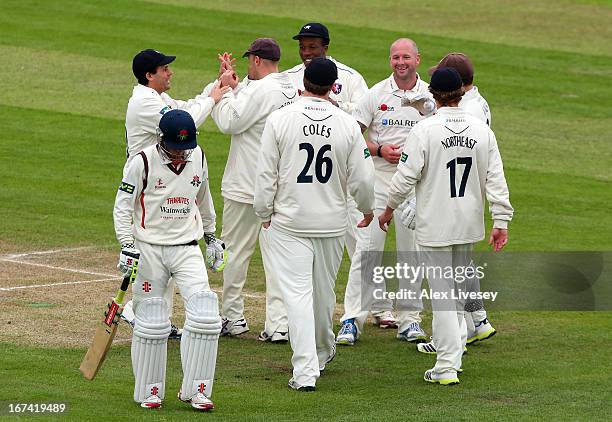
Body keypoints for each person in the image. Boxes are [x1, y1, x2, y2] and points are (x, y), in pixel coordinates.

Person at [378, 67, 513, 385]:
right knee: (452, 292)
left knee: (443, 296)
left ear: (433, 96)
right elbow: (496, 178)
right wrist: (501, 220)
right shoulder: (482, 131)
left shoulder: (425, 130)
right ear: (462, 94)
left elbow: (404, 178)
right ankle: (454, 353)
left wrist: (387, 210)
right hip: (467, 223)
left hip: (435, 225)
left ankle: (447, 366)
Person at [254, 58, 375, 390]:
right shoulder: (347, 124)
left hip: (289, 222)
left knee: (297, 295)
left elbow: (266, 175)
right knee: (322, 293)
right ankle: (318, 355)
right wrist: (367, 209)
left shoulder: (279, 120)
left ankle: (308, 368)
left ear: (302, 83)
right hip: (332, 222)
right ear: (333, 86)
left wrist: (264, 212)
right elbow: (363, 178)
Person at [285, 23, 396, 329]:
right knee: (357, 245)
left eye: (312, 47)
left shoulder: (349, 78)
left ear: (326, 47)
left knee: (362, 243)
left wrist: (334, 107)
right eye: (303, 47)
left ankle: (375, 307)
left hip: (345, 173)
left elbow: (363, 119)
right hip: (310, 177)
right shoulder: (291, 77)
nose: (307, 53)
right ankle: (378, 305)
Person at [113, 109, 226, 409]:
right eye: (175, 148)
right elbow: (123, 207)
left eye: (184, 149)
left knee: (205, 314)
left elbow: (203, 197)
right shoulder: (141, 162)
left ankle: (197, 390)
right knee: (151, 320)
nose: (180, 155)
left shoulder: (198, 156)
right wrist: (127, 244)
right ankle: (150, 390)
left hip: (187, 247)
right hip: (149, 249)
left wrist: (212, 236)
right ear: (162, 140)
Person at [121, 49, 229, 338]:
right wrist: (216, 95)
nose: (170, 73)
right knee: (156, 245)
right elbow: (186, 122)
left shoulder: (157, 98)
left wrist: (217, 85)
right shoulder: (144, 103)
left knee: (168, 246)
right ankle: (138, 309)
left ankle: (157, 317)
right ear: (149, 75)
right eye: (164, 69)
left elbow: (185, 106)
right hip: (149, 179)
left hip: (171, 174)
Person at [336, 38, 435, 346]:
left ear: (417, 59)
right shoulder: (376, 94)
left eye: (406, 57)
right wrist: (379, 149)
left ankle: (409, 320)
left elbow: (437, 136)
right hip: (379, 179)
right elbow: (353, 136)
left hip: (415, 185)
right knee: (367, 250)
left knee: (411, 253)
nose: (400, 62)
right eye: (395, 57)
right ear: (389, 60)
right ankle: (352, 319)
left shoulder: (430, 97)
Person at [211, 38, 298, 342]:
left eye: (250, 61)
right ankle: (278, 324)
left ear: (258, 60)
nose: (248, 66)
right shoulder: (288, 86)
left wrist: (218, 94)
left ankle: (233, 317)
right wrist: (236, 87)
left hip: (246, 186)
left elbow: (229, 123)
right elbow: (252, 107)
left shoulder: (264, 90)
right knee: (277, 257)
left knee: (235, 252)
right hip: (279, 187)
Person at [427, 52, 495, 345]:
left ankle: (453, 339)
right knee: (461, 265)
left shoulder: (469, 113)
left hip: (453, 193)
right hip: (467, 193)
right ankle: (477, 320)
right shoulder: (477, 103)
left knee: (445, 274)